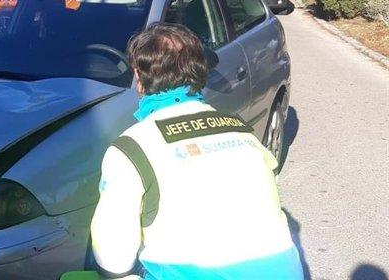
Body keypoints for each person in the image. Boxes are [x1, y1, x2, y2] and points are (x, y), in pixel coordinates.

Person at [90, 23, 303, 279]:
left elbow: (113, 259)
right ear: (201, 73)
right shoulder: (245, 135)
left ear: (139, 78)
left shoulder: (132, 148)